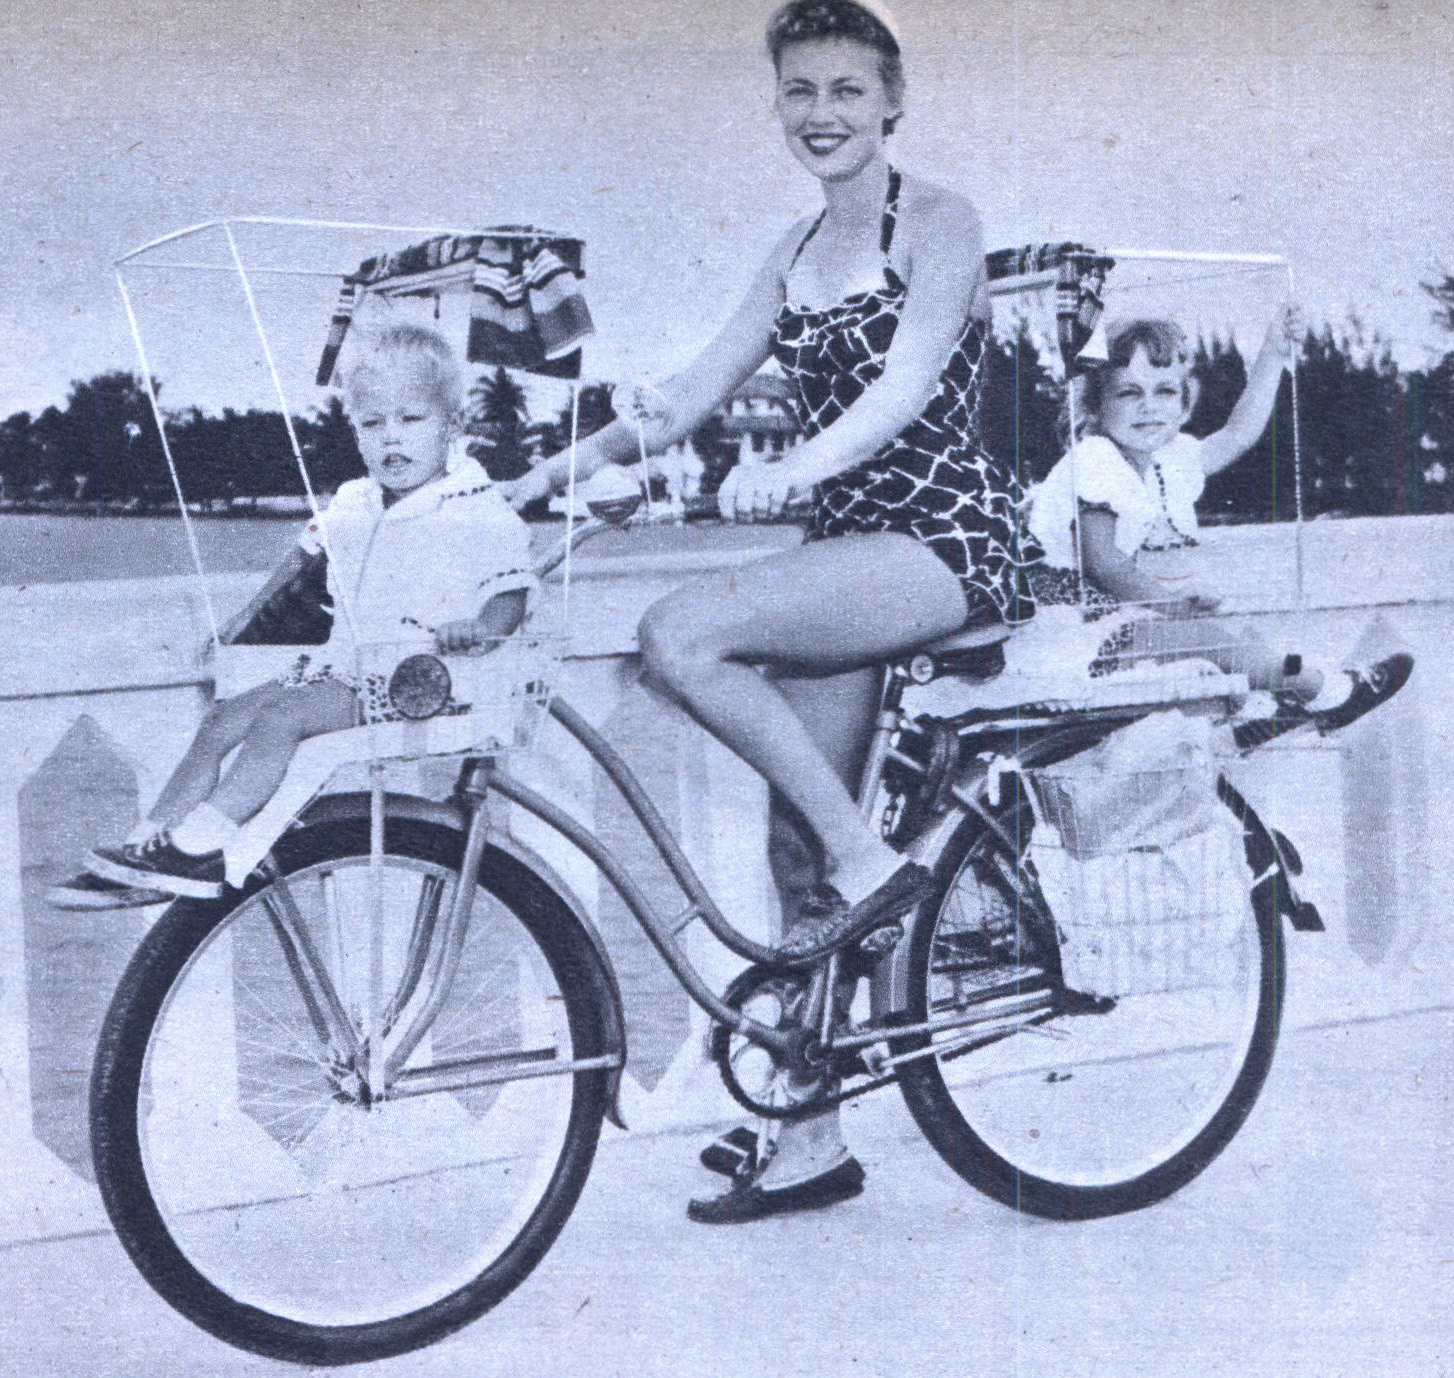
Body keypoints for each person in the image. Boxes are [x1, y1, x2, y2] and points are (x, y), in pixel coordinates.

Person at [506, 0, 1038, 1222]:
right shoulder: (792, 255)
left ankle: (873, 862)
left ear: (892, 103)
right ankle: (809, 1140)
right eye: (800, 92)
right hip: (848, 549)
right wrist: (527, 485)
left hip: (946, 539)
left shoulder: (941, 221)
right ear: (777, 109)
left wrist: (794, 468)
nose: (822, 115)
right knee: (797, 848)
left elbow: (906, 388)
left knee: (680, 636)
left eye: (847, 91)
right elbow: (689, 393)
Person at [50, 319, 535, 908]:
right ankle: (150, 846)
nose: (392, 440)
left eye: (412, 420)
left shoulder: (476, 507)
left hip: (421, 679)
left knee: (282, 720)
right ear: (354, 430)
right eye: (372, 424)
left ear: (452, 425)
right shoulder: (358, 499)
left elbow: (510, 590)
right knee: (225, 720)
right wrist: (242, 621)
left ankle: (203, 845)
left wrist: (482, 628)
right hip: (346, 667)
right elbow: (304, 557)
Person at [1025, 311, 1411, 743]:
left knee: (1236, 642)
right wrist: (1171, 606)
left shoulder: (1164, 459)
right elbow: (1103, 563)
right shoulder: (1095, 457)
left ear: (1185, 403)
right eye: (1128, 393)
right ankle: (1332, 693)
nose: (1149, 406)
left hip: (1099, 619)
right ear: (1096, 406)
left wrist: (1272, 356)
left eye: (1165, 391)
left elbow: (1239, 433)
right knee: (1218, 644)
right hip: (1064, 629)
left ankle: (1264, 712)